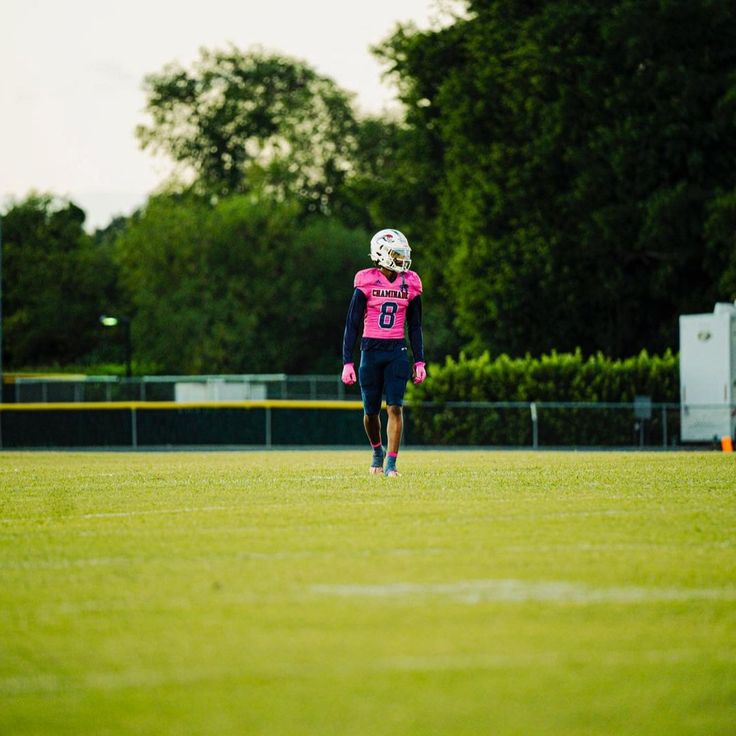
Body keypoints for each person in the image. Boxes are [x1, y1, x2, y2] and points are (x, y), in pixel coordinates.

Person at [341, 228, 426, 477]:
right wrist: (347, 361)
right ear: (382, 253)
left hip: (396, 350)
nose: (401, 260)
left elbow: (416, 325)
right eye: (396, 254)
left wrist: (419, 359)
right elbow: (352, 323)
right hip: (370, 350)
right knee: (370, 412)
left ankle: (391, 463)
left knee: (395, 407)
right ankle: (377, 450)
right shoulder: (365, 280)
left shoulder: (410, 282)